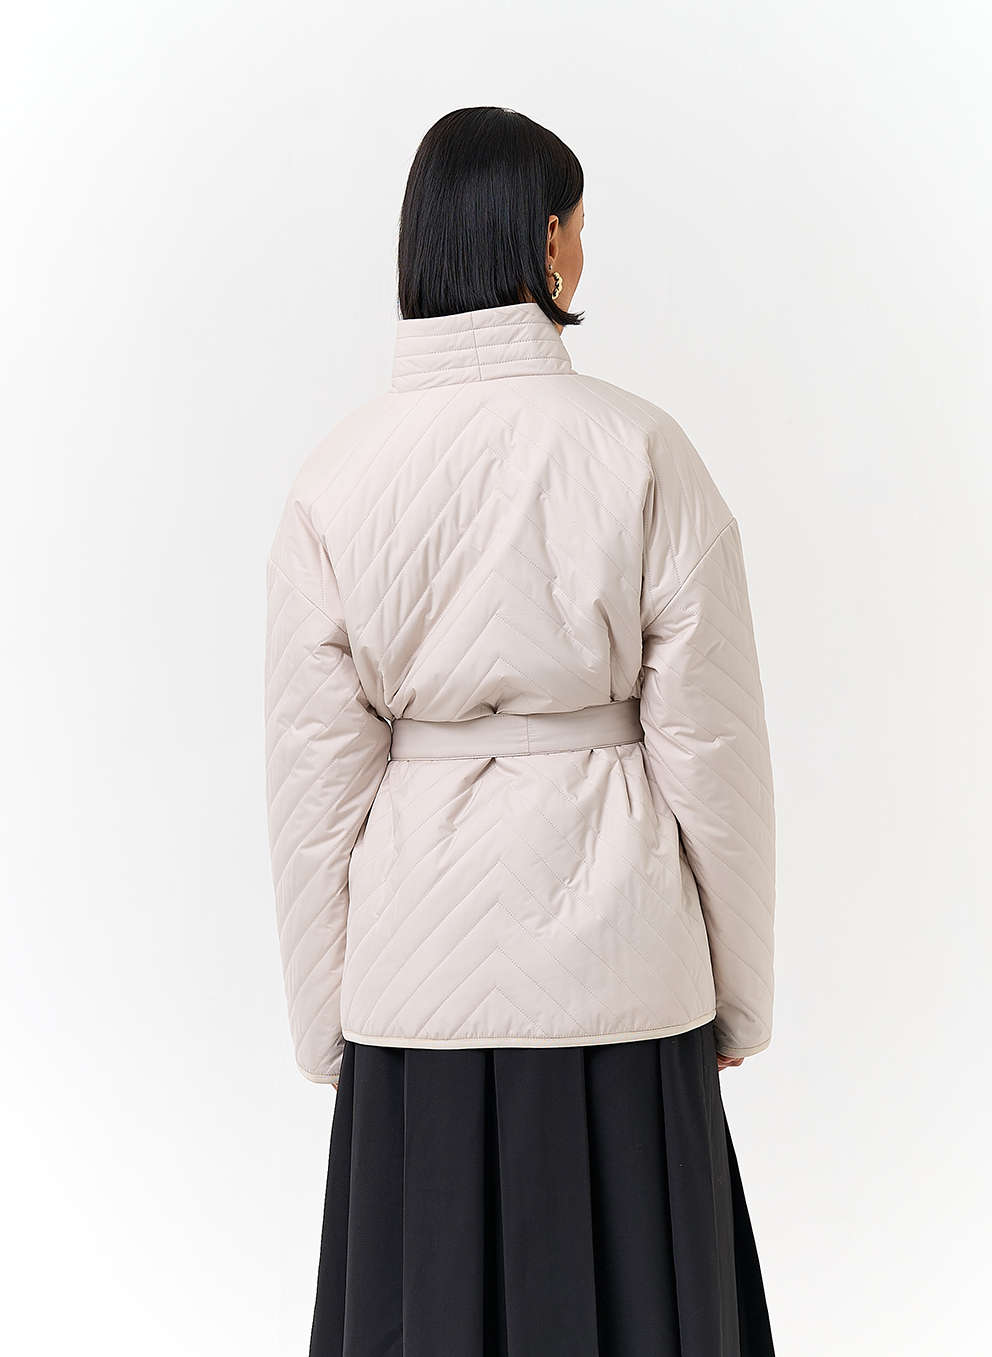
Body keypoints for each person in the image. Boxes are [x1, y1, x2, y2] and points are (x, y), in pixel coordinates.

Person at [264, 105, 777, 1357]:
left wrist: (327, 1018)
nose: (584, 254)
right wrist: (736, 999)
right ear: (544, 244)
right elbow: (711, 748)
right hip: (622, 966)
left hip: (414, 984)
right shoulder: (639, 450)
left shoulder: (335, 477)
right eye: (580, 228)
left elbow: (313, 781)